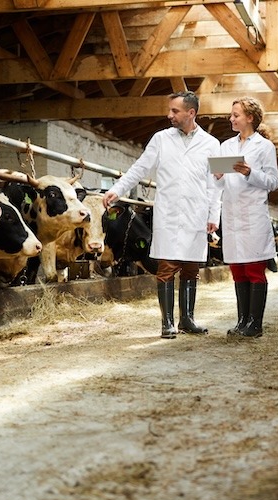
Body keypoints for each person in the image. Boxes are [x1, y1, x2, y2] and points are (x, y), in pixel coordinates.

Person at [102, 91, 220, 339]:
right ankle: (167, 322)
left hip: (196, 213)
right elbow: (140, 167)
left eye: (175, 111)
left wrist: (214, 214)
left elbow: (217, 183)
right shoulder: (160, 139)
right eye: (170, 110)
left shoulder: (212, 144)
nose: (169, 115)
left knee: (191, 268)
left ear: (191, 113)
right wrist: (117, 190)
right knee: (166, 267)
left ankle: (187, 319)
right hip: (169, 213)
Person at [213, 96, 278, 338]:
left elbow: (273, 182)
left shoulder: (265, 147)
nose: (231, 119)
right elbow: (217, 185)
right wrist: (218, 175)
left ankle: (256, 324)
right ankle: (242, 321)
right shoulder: (226, 146)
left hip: (253, 215)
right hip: (231, 215)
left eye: (236, 115)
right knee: (238, 270)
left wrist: (250, 172)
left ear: (250, 118)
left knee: (253, 269)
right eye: (231, 115)